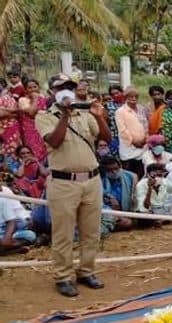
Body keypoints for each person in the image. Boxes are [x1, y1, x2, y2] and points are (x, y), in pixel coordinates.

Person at [36, 73, 112, 297]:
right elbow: (54, 141)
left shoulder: (85, 113)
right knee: (64, 234)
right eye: (61, 87)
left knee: (91, 232)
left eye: (70, 86)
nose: (67, 90)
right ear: (52, 92)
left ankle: (86, 271)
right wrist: (65, 115)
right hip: (63, 183)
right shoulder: (44, 116)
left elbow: (106, 138)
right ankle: (63, 276)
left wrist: (99, 117)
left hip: (91, 180)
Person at [116, 86, 149, 177]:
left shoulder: (141, 109)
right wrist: (133, 141)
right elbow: (122, 130)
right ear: (126, 98)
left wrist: (145, 139)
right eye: (131, 97)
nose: (134, 99)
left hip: (143, 149)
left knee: (142, 175)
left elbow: (146, 125)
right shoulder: (120, 111)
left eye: (136, 97)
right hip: (129, 149)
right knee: (130, 176)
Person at [99, 155, 136, 232]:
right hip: (105, 213)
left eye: (116, 169)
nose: (114, 172)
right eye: (110, 170)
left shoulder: (130, 177)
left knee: (129, 222)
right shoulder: (99, 180)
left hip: (125, 212)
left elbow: (134, 197)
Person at [17, 79, 48, 162]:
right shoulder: (23, 100)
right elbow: (31, 113)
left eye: (35, 87)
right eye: (29, 88)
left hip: (42, 128)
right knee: (33, 150)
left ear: (39, 87)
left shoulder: (43, 98)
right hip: (30, 131)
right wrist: (35, 99)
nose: (33, 89)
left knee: (45, 151)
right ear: (25, 90)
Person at [0, 78, 21, 156]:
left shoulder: (8, 98)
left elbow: (17, 112)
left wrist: (5, 112)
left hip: (9, 130)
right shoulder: (9, 98)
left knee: (11, 150)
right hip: (9, 129)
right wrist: (11, 112)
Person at [105, 84, 125, 156]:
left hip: (127, 136)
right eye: (113, 94)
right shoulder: (108, 106)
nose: (115, 95)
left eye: (117, 93)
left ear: (122, 92)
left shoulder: (128, 104)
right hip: (114, 135)